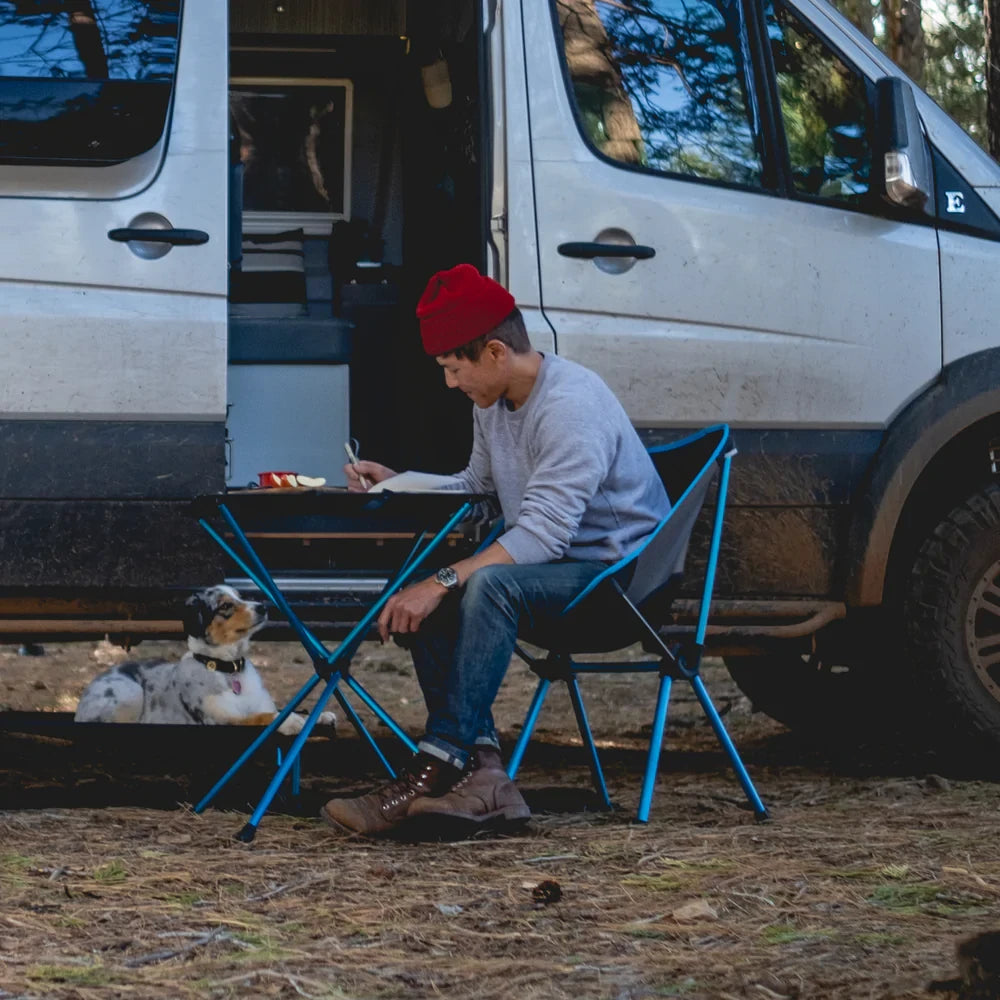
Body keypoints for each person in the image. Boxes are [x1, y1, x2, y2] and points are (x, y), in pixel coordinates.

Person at [321, 264, 670, 837]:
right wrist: (398, 482)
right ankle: (484, 777)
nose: (449, 384)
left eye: (454, 369)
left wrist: (443, 581)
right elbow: (477, 487)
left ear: (494, 353)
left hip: (620, 584)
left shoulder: (571, 406)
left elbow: (544, 534)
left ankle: (434, 766)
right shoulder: (492, 401)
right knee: (439, 589)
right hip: (556, 573)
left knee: (481, 583)